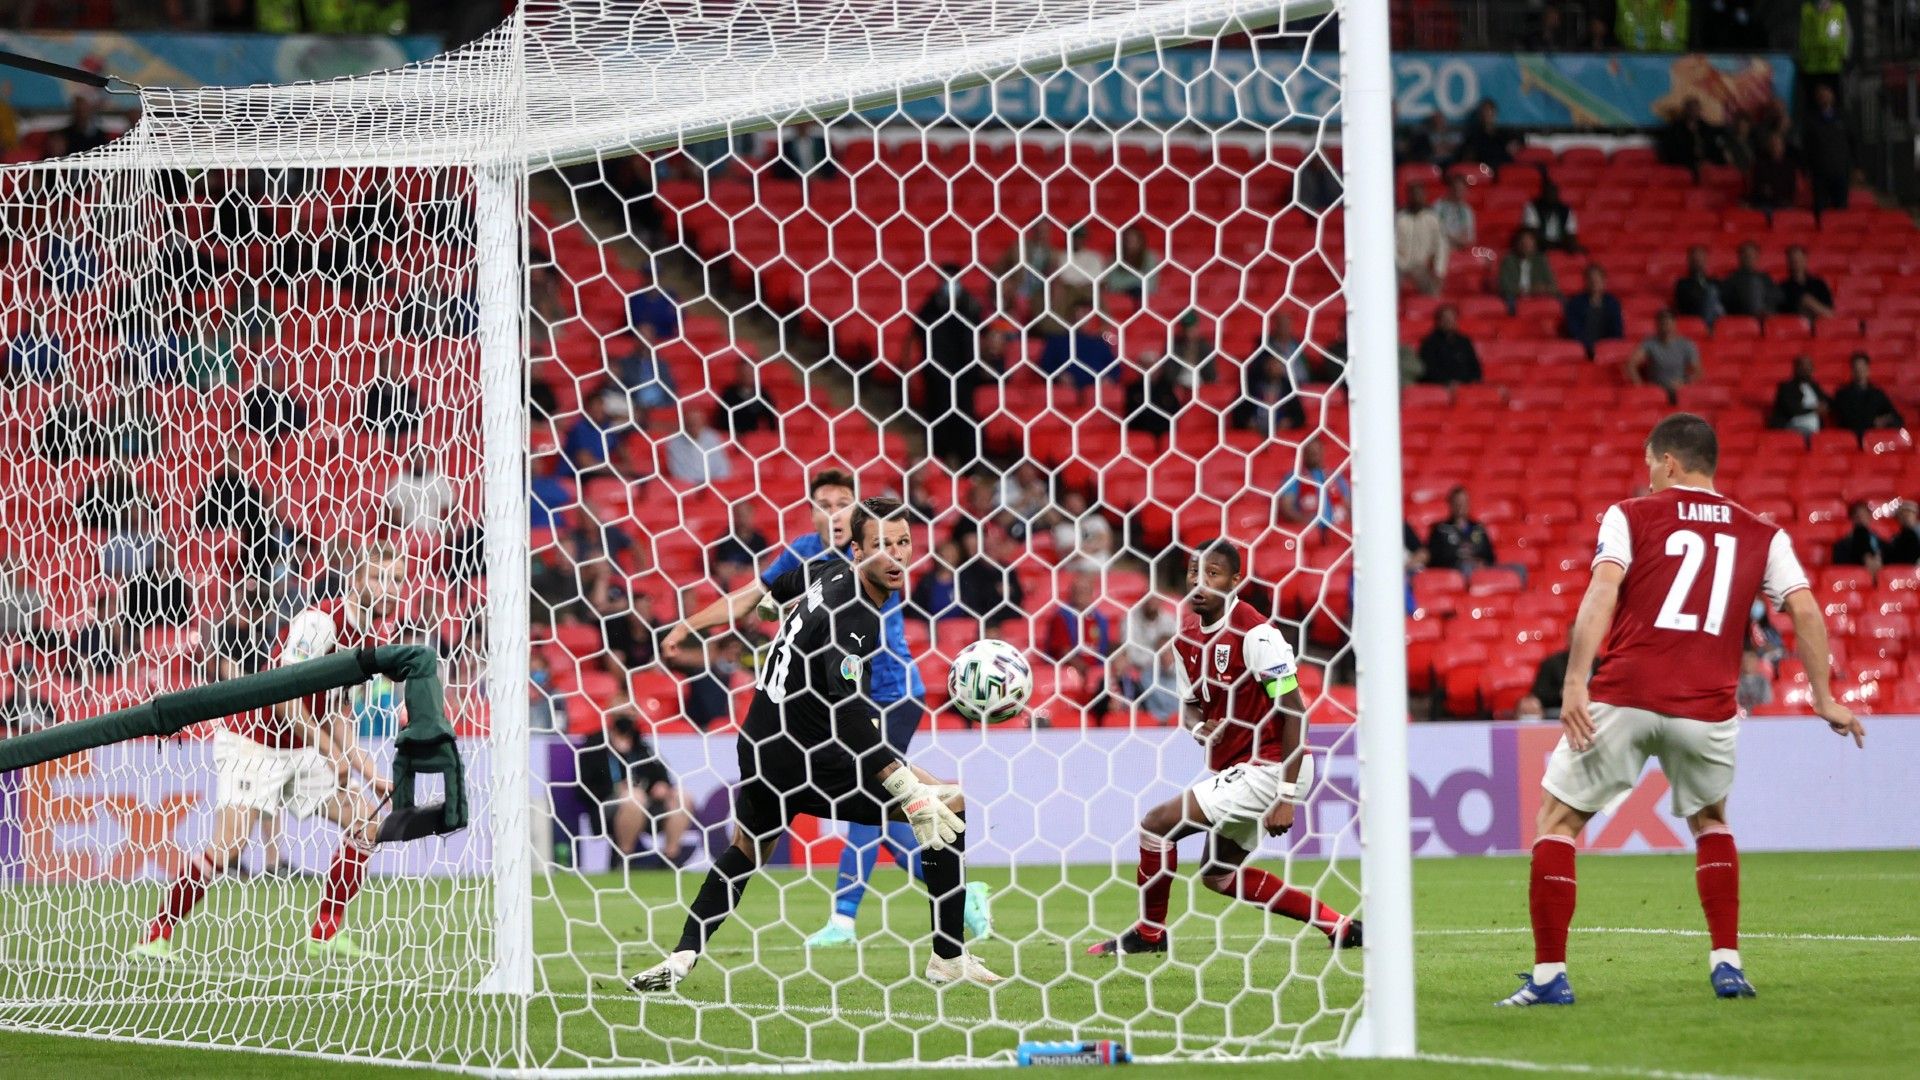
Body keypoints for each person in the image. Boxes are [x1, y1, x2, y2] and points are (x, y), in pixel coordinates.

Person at [1499, 413, 1861, 1007]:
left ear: (1668, 462)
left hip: (1625, 692)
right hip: (1708, 707)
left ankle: (1548, 978)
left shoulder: (1631, 515)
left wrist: (1573, 683)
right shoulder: (1762, 534)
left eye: (1649, 465)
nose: (1646, 477)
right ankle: (1727, 964)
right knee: (1712, 822)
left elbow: (1603, 589)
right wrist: (1824, 697)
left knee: (1557, 823)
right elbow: (1805, 609)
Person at [626, 499, 1001, 992]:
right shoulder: (856, 616)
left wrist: (704, 621)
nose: (893, 556)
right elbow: (848, 712)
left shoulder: (823, 570)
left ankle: (680, 958)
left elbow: (762, 594)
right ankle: (948, 958)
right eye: (879, 546)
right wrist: (908, 789)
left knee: (748, 848)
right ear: (857, 549)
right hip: (810, 755)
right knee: (946, 801)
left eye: (902, 543)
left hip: (760, 745)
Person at [132, 544, 410, 963]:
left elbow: (338, 712)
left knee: (366, 821)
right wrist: (330, 753)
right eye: (379, 577)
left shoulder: (374, 639)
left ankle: (325, 934)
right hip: (254, 741)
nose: (389, 588)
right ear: (356, 580)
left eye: (398, 580)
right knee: (229, 848)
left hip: (302, 748)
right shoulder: (318, 623)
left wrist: (369, 772)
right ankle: (155, 936)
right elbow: (285, 701)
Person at [1087, 541, 1360, 957]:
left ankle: (1148, 934)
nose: (1200, 582)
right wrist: (1203, 731)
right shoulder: (1186, 641)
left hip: (1273, 765)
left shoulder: (1256, 635)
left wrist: (1285, 797)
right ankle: (1338, 926)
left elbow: (1295, 713)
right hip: (1240, 766)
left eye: (1212, 574)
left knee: (1157, 825)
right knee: (1219, 875)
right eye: (1195, 572)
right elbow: (1192, 710)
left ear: (1235, 581)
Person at [578, 707, 695, 863]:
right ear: (611, 715)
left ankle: (671, 858)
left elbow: (662, 776)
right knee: (634, 797)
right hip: (607, 805)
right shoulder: (595, 745)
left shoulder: (642, 746)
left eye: (631, 714)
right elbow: (583, 787)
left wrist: (662, 786)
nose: (627, 718)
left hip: (646, 803)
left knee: (682, 797)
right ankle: (624, 859)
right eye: (622, 714)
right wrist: (615, 789)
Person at [1038, 300, 1119, 389]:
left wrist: (1108, 378)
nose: (1083, 318)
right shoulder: (1057, 341)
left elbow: (1115, 368)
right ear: (1070, 317)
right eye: (1080, 313)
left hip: (1096, 389)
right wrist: (1059, 376)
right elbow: (1046, 364)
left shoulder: (1100, 343)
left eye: (1086, 313)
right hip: (1067, 388)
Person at [1627, 310, 1702, 403]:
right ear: (1657, 325)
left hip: (1680, 390)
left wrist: (1684, 383)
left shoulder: (1686, 344)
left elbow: (1698, 372)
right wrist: (1640, 386)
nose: (1666, 327)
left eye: (1668, 323)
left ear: (1674, 324)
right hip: (1656, 392)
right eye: (1663, 324)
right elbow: (1631, 364)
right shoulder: (1649, 343)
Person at [1278, 438, 1349, 533]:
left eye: (1317, 452)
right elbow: (1287, 508)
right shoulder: (1294, 477)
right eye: (1311, 452)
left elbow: (1348, 503)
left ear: (1322, 453)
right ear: (1304, 454)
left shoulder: (1335, 476)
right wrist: (1306, 523)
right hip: (1310, 531)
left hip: (1338, 528)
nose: (1314, 456)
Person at [1803, 84, 1852, 217]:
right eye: (1821, 95)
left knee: (1841, 210)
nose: (1824, 98)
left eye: (1826, 94)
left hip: (1841, 171)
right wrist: (1807, 168)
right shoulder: (1811, 121)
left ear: (1833, 96)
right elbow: (1807, 147)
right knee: (1821, 210)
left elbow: (1852, 142)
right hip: (1820, 173)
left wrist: (1856, 166)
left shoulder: (1843, 117)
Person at [1425, 486, 1497, 573]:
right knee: (1466, 567)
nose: (1460, 505)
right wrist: (1458, 561)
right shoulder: (1440, 530)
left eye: (1463, 502)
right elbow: (1434, 559)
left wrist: (1482, 563)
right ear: (1450, 504)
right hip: (1454, 571)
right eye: (1457, 502)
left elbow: (1490, 557)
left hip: (1480, 570)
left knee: (1516, 568)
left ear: (1469, 503)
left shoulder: (1479, 528)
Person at [1394, 184, 1449, 297]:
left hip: (1421, 267)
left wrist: (1439, 271)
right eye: (1413, 195)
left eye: (1419, 195)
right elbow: (1390, 244)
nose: (1416, 198)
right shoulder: (1399, 218)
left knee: (1433, 291)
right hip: (1399, 266)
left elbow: (1441, 246)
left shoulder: (1432, 219)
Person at [385, 446, 455, 534]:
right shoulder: (399, 480)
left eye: (423, 458)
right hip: (407, 531)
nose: (420, 461)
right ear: (409, 460)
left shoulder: (439, 479)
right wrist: (404, 532)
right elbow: (394, 513)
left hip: (434, 532)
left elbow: (451, 507)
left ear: (429, 460)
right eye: (416, 458)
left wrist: (446, 531)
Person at [1832, 353, 1903, 436]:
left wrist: (1886, 420)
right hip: (1852, 439)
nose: (1860, 371)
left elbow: (1897, 418)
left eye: (1863, 368)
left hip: (1876, 439)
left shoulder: (1877, 393)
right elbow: (1847, 421)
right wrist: (1873, 422)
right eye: (1857, 368)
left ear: (1868, 369)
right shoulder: (1842, 394)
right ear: (1852, 371)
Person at [1562, 265, 1624, 357]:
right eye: (1591, 280)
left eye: (1598, 280)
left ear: (1604, 281)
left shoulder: (1613, 303)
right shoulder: (1575, 303)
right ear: (1585, 282)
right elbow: (1574, 331)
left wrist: (1607, 348)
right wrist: (1588, 347)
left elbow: (1617, 330)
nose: (1595, 283)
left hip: (1607, 350)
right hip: (1583, 349)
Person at [1798, 0, 1851, 104]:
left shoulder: (1838, 10)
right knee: (1813, 104)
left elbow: (1841, 34)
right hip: (1812, 66)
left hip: (1831, 65)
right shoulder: (1806, 10)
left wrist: (1844, 54)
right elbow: (1802, 34)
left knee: (1833, 103)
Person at [663, 410, 734, 484]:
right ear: (684, 425)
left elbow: (722, 467)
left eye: (697, 423)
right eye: (691, 424)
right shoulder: (674, 443)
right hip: (689, 487)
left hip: (714, 484)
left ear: (703, 423)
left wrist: (715, 483)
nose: (694, 427)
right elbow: (678, 472)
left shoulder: (713, 437)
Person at [1418, 305, 1482, 387]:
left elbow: (1475, 367)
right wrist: (1447, 383)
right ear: (1438, 321)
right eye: (1445, 318)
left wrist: (1468, 382)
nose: (1449, 321)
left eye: (1452, 318)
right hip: (1440, 386)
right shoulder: (1429, 343)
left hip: (1465, 385)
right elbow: (1428, 370)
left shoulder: (1464, 341)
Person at [1497, 228, 1559, 312]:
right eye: (1523, 241)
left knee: (1561, 301)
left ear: (1535, 244)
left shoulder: (1541, 260)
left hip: (1538, 297)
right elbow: (1505, 287)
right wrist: (1529, 290)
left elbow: (1552, 286)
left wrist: (1543, 289)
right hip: (1516, 298)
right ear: (1517, 244)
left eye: (1529, 241)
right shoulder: (1508, 260)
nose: (1525, 245)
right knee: (1509, 304)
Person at [1767, 355, 1831, 435]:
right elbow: (1792, 409)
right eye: (1803, 366)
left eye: (1808, 366)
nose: (1806, 369)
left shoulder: (1814, 387)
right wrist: (1814, 410)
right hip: (1793, 427)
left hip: (1815, 430)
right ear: (1796, 368)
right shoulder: (1787, 387)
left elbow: (1827, 401)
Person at [1657, 98, 1719, 177]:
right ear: (1686, 110)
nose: (1694, 112)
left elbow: (1712, 145)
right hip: (1684, 161)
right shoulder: (1676, 128)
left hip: (1704, 161)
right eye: (1691, 109)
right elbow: (1672, 149)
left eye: (1697, 109)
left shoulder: (1705, 127)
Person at [1720, 242, 1780, 318]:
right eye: (1746, 255)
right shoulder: (1732, 278)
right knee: (1753, 283)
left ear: (1757, 257)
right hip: (1742, 315)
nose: (1749, 258)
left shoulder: (1765, 278)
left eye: (1751, 255)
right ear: (1740, 257)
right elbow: (1727, 299)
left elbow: (1777, 296)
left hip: (1767, 314)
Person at [1670, 245, 1725, 326]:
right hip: (1695, 317)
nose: (1697, 261)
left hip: (1717, 316)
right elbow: (1684, 305)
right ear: (1689, 261)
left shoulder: (1715, 281)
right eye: (1695, 259)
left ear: (1706, 260)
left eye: (1700, 259)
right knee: (1711, 291)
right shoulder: (1682, 284)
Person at [1521, 177, 1579, 252]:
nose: (1551, 195)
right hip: (1540, 245)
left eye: (1553, 192)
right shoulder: (1533, 207)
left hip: (1561, 245)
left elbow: (1571, 233)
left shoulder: (1566, 210)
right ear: (1543, 193)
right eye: (1548, 192)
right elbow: (1532, 232)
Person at [710, 501, 769, 575]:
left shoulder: (760, 540)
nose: (743, 519)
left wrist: (738, 570)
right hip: (731, 584)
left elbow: (764, 568)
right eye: (740, 515)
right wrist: (748, 570)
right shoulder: (724, 540)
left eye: (746, 515)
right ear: (734, 517)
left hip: (753, 583)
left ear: (752, 516)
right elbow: (720, 568)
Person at [1777, 245, 1835, 320]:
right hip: (1796, 325)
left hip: (1821, 322)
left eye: (1799, 259)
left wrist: (1810, 304)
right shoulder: (1782, 287)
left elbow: (1829, 309)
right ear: (1788, 262)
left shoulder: (1819, 284)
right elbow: (1782, 314)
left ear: (1805, 260)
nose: (1796, 263)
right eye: (1793, 260)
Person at [1105, 226, 1160, 303]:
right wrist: (1136, 283)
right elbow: (1113, 284)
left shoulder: (1150, 258)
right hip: (1120, 299)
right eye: (1127, 240)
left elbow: (1151, 285)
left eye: (1134, 240)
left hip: (1144, 297)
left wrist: (1127, 284)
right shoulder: (1114, 259)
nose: (1130, 244)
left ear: (1141, 242)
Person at [1747, 132, 1798, 213]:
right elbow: (1760, 188)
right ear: (1768, 146)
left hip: (1783, 203)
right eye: (1773, 145)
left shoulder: (1789, 166)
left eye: (1778, 144)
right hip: (1765, 203)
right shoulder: (1760, 164)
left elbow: (1790, 188)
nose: (1775, 147)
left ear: (1783, 147)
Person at [1459, 99, 1518, 169]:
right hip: (1483, 171)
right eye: (1484, 111)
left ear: (1494, 113)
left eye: (1489, 111)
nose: (1486, 114)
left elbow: (1518, 142)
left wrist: (1516, 144)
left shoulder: (1504, 134)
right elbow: (1467, 156)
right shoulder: (1474, 136)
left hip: (1503, 169)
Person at [1831, 500, 1888, 567]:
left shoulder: (1882, 544)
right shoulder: (1841, 546)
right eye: (1857, 515)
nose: (1861, 518)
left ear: (1870, 517)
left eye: (1864, 514)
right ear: (1852, 519)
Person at [1435, 174, 1477, 252]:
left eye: (1461, 190)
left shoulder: (1467, 210)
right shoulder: (1438, 207)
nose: (1458, 193)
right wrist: (1456, 239)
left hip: (1461, 250)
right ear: (1450, 189)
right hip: (1441, 249)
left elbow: (1469, 239)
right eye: (1456, 189)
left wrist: (1452, 238)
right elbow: (1436, 233)